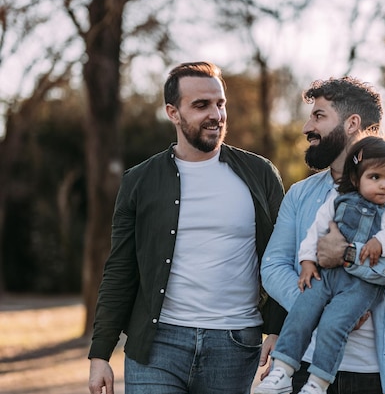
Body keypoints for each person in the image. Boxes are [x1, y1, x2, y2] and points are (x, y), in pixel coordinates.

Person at [87, 61, 286, 394]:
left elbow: (282, 255)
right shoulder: (139, 181)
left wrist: (279, 330)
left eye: (220, 104)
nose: (216, 114)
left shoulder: (260, 173)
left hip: (235, 344)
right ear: (173, 112)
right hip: (157, 344)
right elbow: (120, 268)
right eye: (201, 105)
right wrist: (100, 353)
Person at [260, 77, 385, 394]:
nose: (306, 128)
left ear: (352, 123)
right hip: (307, 366)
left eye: (319, 116)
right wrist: (320, 308)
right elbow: (273, 266)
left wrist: (348, 256)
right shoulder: (300, 195)